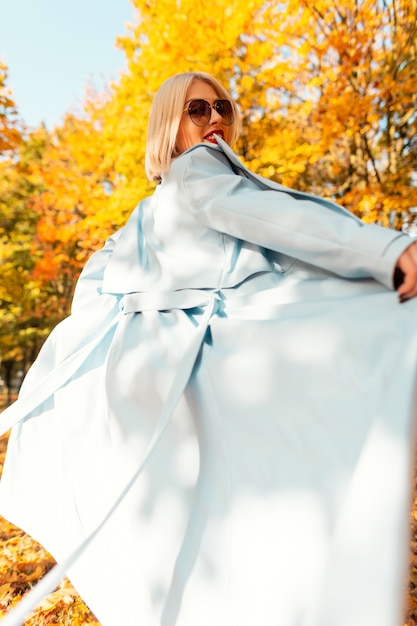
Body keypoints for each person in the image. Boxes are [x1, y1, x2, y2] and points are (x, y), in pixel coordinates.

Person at [1, 71, 417, 626]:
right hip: (202, 367)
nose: (216, 118)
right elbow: (279, 219)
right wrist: (386, 248)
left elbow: (93, 291)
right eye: (197, 109)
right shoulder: (199, 171)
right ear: (169, 126)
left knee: (179, 538)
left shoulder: (143, 214)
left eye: (223, 106)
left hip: (147, 384)